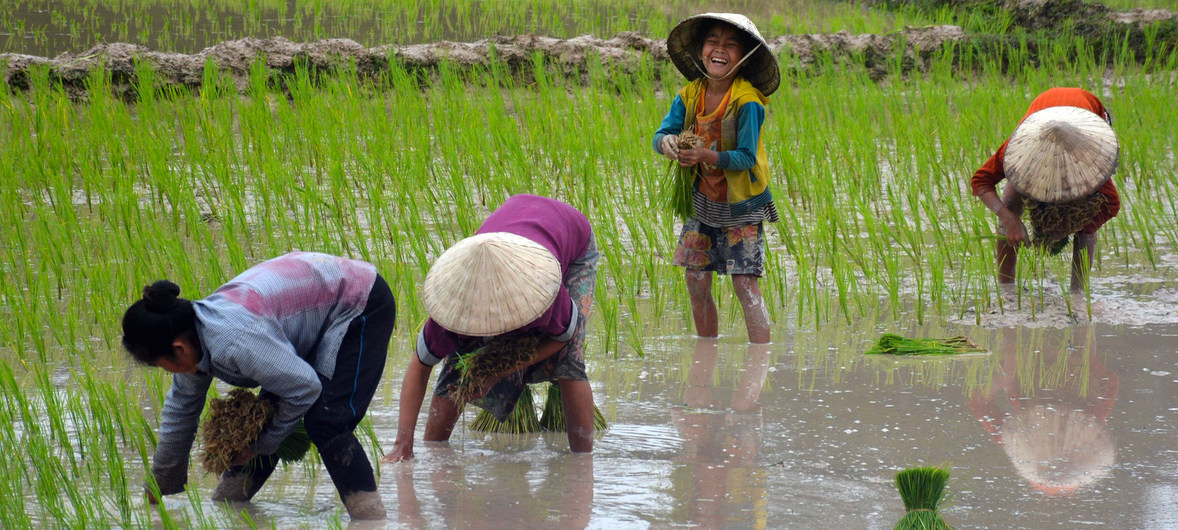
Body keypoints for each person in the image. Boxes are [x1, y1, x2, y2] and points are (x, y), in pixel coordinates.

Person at [121, 252, 395, 520]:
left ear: (178, 348)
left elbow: (305, 388)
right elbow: (180, 415)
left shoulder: (234, 342)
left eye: (160, 365)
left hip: (358, 301)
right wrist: (157, 488)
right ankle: (230, 507)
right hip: (310, 302)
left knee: (327, 421)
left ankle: (370, 519)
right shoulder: (193, 337)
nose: (165, 372)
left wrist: (264, 444)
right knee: (259, 420)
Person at [384, 194, 599, 462]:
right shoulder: (453, 309)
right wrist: (403, 442)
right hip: (506, 237)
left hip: (568, 238)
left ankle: (583, 463)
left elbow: (563, 337)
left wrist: (500, 371)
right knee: (457, 366)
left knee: (570, 363)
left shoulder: (542, 292)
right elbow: (419, 366)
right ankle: (436, 449)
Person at [652, 13, 780, 344]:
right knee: (695, 278)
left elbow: (746, 158)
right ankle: (706, 353)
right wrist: (666, 144)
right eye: (713, 42)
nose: (719, 50)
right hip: (702, 202)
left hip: (742, 205)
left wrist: (705, 156)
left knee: (744, 284)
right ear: (700, 51)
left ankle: (760, 358)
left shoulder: (747, 102)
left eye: (731, 45)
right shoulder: (689, 95)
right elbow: (661, 134)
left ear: (744, 56)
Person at [971, 87, 1120, 292]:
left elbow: (1111, 205)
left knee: (1088, 213)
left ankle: (1078, 292)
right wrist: (1010, 219)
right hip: (1041, 123)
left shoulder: (1089, 159)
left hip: (1087, 125)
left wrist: (1067, 228)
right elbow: (981, 181)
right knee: (1011, 201)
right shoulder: (1020, 147)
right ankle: (1006, 287)